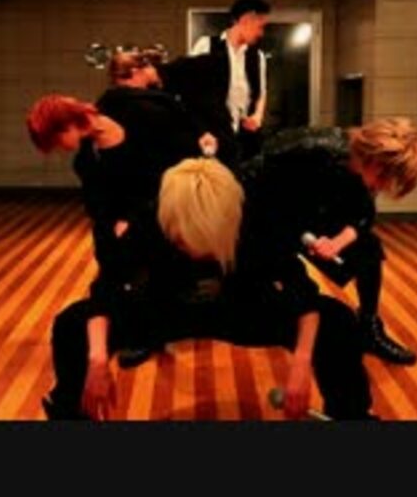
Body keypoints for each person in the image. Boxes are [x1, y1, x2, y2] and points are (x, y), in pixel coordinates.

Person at [41, 156, 375, 421]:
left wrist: (301, 364)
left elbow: (304, 295)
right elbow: (105, 290)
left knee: (337, 320)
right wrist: (97, 360)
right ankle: (69, 414)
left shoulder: (254, 220)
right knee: (72, 324)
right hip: (165, 308)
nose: (193, 248)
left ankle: (351, 416)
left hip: (242, 306)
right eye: (183, 238)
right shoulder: (152, 220)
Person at [26, 93, 211, 367]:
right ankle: (132, 329)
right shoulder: (86, 159)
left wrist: (202, 132)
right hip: (123, 221)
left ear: (66, 125)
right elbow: (96, 203)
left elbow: (172, 115)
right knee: (113, 265)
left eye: (55, 141)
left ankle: (150, 330)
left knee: (155, 264)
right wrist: (115, 223)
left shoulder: (130, 110)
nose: (59, 149)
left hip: (165, 204)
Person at [239, 118, 417, 366]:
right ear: (373, 155)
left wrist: (337, 243)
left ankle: (369, 327)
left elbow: (362, 215)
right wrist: (292, 232)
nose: (384, 186)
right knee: (272, 288)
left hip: (312, 216)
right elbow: (250, 179)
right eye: (385, 176)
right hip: (261, 214)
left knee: (369, 249)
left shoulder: (367, 174)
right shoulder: (309, 146)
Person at [162, 0, 270, 173]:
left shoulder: (257, 56)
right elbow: (189, 90)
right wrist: (200, 129)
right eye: (260, 26)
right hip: (213, 133)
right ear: (246, 20)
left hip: (245, 134)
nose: (261, 33)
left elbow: (261, 92)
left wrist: (257, 116)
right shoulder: (207, 45)